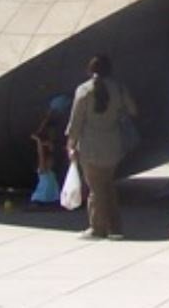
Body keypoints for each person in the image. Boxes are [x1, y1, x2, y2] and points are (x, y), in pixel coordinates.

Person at [66, 54, 137, 240]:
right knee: (108, 186)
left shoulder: (84, 90)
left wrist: (71, 144)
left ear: (90, 70)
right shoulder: (119, 89)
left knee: (95, 189)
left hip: (90, 146)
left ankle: (97, 227)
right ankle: (115, 227)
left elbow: (75, 121)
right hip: (113, 145)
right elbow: (133, 110)